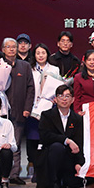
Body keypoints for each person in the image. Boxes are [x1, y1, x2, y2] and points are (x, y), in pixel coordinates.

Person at [35, 85, 84, 188]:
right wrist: (67, 140)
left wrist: (79, 163)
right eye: (61, 96)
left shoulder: (77, 119)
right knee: (57, 147)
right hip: (50, 155)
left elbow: (79, 142)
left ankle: (65, 179)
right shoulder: (47, 115)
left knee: (81, 182)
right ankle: (52, 183)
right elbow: (45, 136)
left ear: (73, 100)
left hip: (68, 158)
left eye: (67, 96)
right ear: (55, 99)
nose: (64, 99)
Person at [0, 38, 35, 185]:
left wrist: (27, 108)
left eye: (14, 46)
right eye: (8, 47)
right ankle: (0, 174)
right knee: (0, 143)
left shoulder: (24, 66)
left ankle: (14, 174)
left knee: (16, 143)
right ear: (3, 49)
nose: (11, 49)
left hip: (19, 110)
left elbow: (31, 88)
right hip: (0, 112)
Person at [28, 43, 61, 179]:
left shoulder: (54, 69)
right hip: (33, 109)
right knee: (33, 140)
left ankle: (45, 170)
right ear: (34, 55)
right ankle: (35, 168)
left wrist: (56, 98)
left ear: (47, 54)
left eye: (43, 53)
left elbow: (58, 88)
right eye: (38, 53)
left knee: (46, 138)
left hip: (49, 108)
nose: (41, 55)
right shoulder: (30, 69)